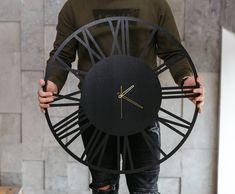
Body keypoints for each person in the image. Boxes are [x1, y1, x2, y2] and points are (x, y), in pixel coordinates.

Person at [38, 0, 205, 193]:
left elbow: (174, 52)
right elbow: (61, 56)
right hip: (95, 110)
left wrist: (187, 81)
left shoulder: (155, 4)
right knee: (103, 187)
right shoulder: (74, 6)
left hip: (142, 109)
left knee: (144, 188)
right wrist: (51, 86)